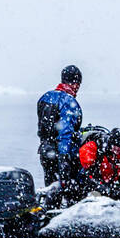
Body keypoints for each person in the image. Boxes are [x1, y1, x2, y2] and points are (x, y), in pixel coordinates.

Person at [36, 65, 83, 195]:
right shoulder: (69, 101)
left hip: (45, 151)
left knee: (51, 188)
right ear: (76, 84)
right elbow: (65, 131)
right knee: (69, 190)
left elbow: (43, 126)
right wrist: (64, 158)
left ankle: (49, 212)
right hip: (61, 153)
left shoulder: (45, 97)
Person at [79, 127, 120, 200]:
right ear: (112, 143)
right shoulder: (91, 147)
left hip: (108, 186)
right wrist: (104, 189)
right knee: (110, 195)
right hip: (88, 187)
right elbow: (84, 175)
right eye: (119, 148)